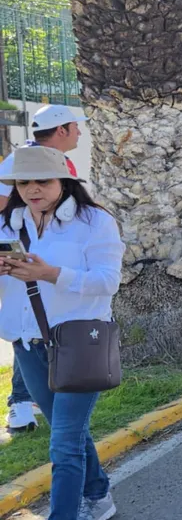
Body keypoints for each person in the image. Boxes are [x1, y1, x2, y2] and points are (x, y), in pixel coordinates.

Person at [0, 146, 124, 520]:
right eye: (23, 182)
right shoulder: (8, 222)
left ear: (64, 182)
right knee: (67, 432)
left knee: (64, 445)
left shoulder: (94, 222)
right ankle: (98, 494)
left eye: (42, 181)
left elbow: (108, 282)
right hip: (28, 344)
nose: (33, 190)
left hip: (79, 344)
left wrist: (48, 273)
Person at [0, 105, 88, 441]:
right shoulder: (23, 160)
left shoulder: (49, 160)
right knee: (29, 322)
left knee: (40, 321)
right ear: (62, 129)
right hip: (24, 250)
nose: (79, 133)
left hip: (48, 250)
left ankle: (35, 401)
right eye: (75, 127)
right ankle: (21, 402)